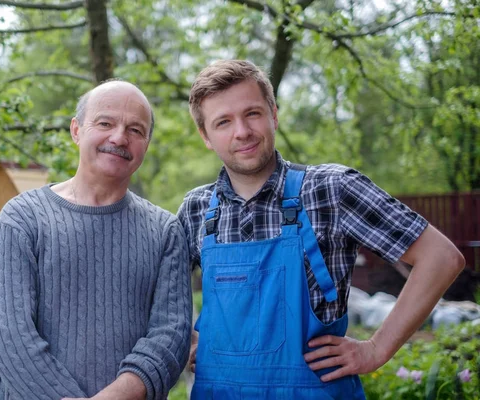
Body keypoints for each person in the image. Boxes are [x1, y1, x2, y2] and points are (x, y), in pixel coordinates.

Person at [177, 60, 465, 399]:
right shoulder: (195, 210)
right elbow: (155, 293)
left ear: (274, 114)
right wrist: (186, 343)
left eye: (252, 113)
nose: (241, 131)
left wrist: (376, 349)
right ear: (206, 136)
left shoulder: (331, 190)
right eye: (223, 122)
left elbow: (442, 257)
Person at [0, 80, 192, 400]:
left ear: (146, 144)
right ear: (76, 130)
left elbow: (170, 338)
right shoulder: (22, 218)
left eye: (135, 130)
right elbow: (10, 338)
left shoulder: (165, 231)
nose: (120, 137)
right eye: (105, 123)